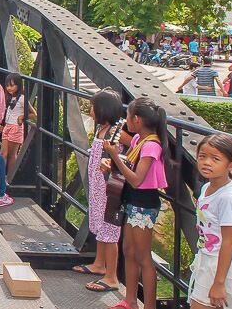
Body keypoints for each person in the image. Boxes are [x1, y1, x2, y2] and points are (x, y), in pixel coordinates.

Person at [103, 97, 169, 309]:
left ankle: (149, 305)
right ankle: (130, 300)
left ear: (137, 119)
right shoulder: (139, 140)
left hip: (143, 203)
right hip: (132, 200)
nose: (126, 120)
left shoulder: (151, 145)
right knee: (129, 250)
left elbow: (136, 179)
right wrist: (111, 160)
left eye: (128, 116)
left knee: (143, 256)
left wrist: (115, 156)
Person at [72, 89, 132, 293]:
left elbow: (134, 147)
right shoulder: (102, 129)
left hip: (110, 188)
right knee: (99, 224)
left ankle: (111, 276)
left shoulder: (116, 130)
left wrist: (118, 161)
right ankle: (99, 264)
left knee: (109, 230)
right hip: (98, 186)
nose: (90, 110)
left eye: (93, 106)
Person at [188, 133, 232, 309]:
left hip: (223, 268)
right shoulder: (207, 188)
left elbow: (229, 241)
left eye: (215, 159)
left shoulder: (228, 197)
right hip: (209, 260)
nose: (206, 162)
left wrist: (219, 283)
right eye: (202, 156)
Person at [0, 73, 36, 177]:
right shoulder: (11, 97)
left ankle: (10, 176)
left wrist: (22, 117)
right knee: (3, 153)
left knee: (11, 155)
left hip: (16, 127)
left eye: (12, 85)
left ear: (18, 85)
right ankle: (1, 175)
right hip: (8, 126)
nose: (9, 88)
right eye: (7, 86)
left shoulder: (22, 98)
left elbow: (33, 113)